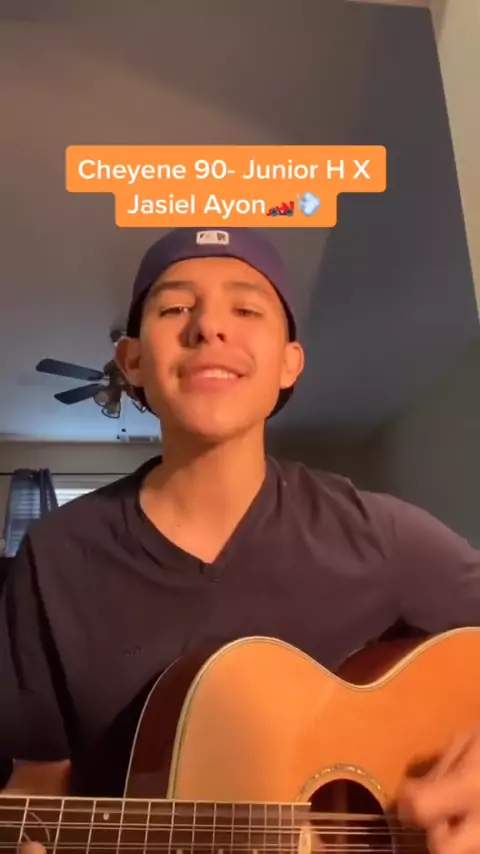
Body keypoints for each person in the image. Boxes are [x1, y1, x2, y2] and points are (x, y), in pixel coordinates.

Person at [1, 227, 480, 854]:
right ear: (132, 360)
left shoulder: (381, 534)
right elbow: (38, 783)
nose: (209, 327)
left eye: (247, 309)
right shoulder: (56, 555)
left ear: (289, 363)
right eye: (175, 308)